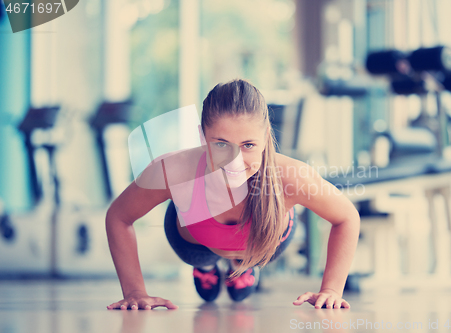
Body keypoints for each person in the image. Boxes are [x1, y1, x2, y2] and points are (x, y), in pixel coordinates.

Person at [106, 79, 360, 311]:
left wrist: (331, 290)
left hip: (262, 244)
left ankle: (243, 266)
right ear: (202, 136)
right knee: (201, 256)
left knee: (246, 275)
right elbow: (118, 216)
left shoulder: (292, 176)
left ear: (265, 137)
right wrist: (135, 292)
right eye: (220, 144)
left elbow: (346, 217)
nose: (235, 161)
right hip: (196, 244)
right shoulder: (172, 170)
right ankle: (206, 267)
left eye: (248, 145)